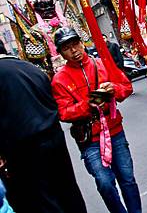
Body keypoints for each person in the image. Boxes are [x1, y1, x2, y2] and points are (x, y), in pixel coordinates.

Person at [51, 28, 142, 213]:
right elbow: (64, 113)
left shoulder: (102, 64)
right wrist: (88, 105)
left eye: (75, 44)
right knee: (105, 183)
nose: (74, 50)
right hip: (89, 139)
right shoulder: (59, 80)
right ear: (61, 53)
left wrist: (113, 89)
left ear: (82, 42)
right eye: (67, 48)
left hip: (115, 131)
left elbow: (126, 87)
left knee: (128, 179)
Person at [0, 40, 87, 213]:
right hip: (53, 139)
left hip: (23, 148)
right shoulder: (31, 69)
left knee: (41, 201)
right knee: (67, 190)